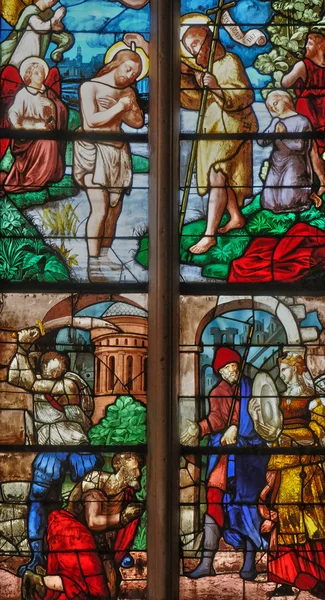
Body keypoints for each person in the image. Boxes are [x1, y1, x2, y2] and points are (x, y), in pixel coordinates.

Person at [8, 325, 102, 576]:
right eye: (46, 370)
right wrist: (23, 349)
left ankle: (102, 552)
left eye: (51, 369)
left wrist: (23, 347)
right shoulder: (43, 384)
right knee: (39, 499)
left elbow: (25, 380)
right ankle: (39, 555)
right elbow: (16, 379)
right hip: (51, 449)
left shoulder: (70, 384)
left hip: (77, 448)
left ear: (61, 367)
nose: (49, 373)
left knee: (93, 495)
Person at [181, 346, 268, 580]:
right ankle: (207, 562)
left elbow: (261, 417)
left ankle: (249, 564)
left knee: (246, 504)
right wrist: (200, 428)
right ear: (220, 371)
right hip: (223, 456)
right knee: (214, 500)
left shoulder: (251, 388)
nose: (233, 371)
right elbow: (217, 417)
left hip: (248, 457)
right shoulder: (218, 391)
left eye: (235, 366)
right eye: (228, 367)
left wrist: (238, 427)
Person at [22, 453, 144, 600]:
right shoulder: (96, 483)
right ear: (119, 468)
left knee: (110, 588)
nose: (138, 473)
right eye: (134, 469)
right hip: (68, 529)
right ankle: (38, 581)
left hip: (92, 538)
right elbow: (93, 521)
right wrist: (124, 517)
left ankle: (40, 580)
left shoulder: (125, 493)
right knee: (95, 588)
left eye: (139, 469)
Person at [180, 24, 258, 254]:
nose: (194, 52)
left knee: (217, 175)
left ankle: (209, 235)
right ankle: (235, 217)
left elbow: (244, 95)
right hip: (213, 129)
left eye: (195, 45)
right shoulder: (208, 67)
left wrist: (216, 87)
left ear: (208, 42)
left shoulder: (230, 62)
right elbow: (196, 102)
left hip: (233, 128)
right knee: (223, 177)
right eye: (189, 48)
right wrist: (188, 80)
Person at [254, 353, 325, 598]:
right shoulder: (281, 399)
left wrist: (290, 438)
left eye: (284, 371)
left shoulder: (312, 399)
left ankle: (313, 576)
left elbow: (319, 431)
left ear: (295, 369)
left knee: (307, 520)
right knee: (282, 519)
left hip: (304, 466)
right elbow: (272, 427)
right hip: (281, 464)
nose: (281, 376)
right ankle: (286, 577)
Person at [73, 49, 145, 282]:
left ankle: (103, 257)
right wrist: (118, 107)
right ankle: (93, 264)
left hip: (118, 152)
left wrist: (131, 105)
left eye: (135, 74)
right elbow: (90, 122)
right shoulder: (89, 87)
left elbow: (137, 123)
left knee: (114, 211)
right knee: (100, 208)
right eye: (129, 69)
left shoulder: (126, 92)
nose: (131, 76)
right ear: (116, 63)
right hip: (93, 150)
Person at [2, 57, 67, 194]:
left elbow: (58, 114)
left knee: (50, 142)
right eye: (37, 73)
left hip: (44, 130)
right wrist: (18, 126)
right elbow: (14, 112)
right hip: (26, 136)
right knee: (46, 143)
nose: (41, 76)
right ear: (29, 75)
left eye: (42, 72)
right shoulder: (23, 94)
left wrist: (51, 105)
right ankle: (33, 180)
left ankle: (43, 178)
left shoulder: (49, 93)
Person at [282, 31, 325, 196]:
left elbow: (285, 83)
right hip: (322, 111)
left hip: (308, 111)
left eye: (310, 43)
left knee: (311, 151)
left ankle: (320, 183)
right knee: (313, 150)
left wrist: (293, 66)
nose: (306, 46)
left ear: (319, 46)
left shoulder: (303, 65)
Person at [258, 90, 314, 213]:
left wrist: (283, 135)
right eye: (270, 107)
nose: (273, 108)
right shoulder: (275, 121)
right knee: (268, 202)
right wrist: (272, 129)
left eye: (275, 103)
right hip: (276, 164)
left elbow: (300, 146)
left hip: (294, 164)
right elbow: (261, 142)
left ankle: (306, 198)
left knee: (287, 201)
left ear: (285, 100)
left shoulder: (302, 121)